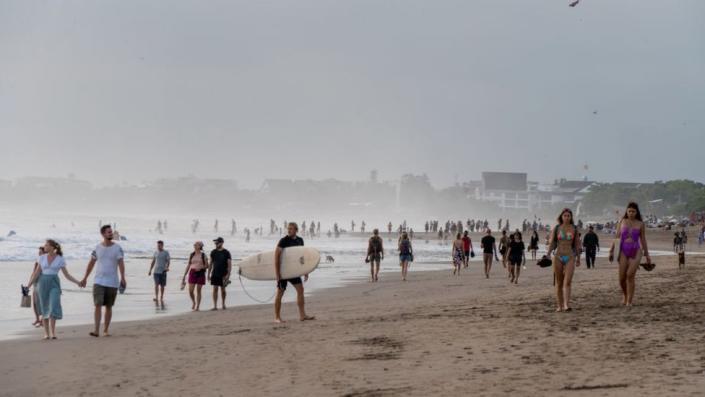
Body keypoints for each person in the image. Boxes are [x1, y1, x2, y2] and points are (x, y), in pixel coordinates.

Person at [26, 240, 82, 339]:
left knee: (53, 305)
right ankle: (46, 333)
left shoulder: (60, 259)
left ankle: (53, 333)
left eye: (46, 245)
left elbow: (67, 275)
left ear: (52, 247)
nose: (44, 247)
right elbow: (36, 273)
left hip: (54, 283)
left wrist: (78, 282)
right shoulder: (41, 257)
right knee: (45, 308)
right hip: (42, 284)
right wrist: (28, 285)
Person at [79, 225, 126, 337]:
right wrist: (85, 277)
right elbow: (91, 263)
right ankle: (96, 330)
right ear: (103, 234)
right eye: (108, 232)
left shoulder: (117, 248)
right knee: (97, 304)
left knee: (109, 306)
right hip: (98, 281)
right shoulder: (97, 248)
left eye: (111, 232)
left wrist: (123, 278)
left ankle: (105, 330)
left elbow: (121, 263)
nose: (111, 234)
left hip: (112, 282)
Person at [609, 202, 651, 307]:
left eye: (633, 211)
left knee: (630, 275)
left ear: (636, 212)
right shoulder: (622, 221)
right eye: (629, 211)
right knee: (621, 278)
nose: (631, 213)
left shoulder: (640, 224)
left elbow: (643, 239)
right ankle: (625, 295)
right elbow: (617, 237)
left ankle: (629, 301)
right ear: (626, 211)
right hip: (623, 250)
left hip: (636, 250)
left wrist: (647, 254)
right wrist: (611, 250)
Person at [274, 222, 314, 323]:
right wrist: (278, 274)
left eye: (291, 229)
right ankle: (277, 317)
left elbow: (301, 257)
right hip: (284, 271)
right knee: (280, 293)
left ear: (296, 230)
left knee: (300, 290)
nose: (289, 230)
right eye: (288, 229)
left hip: (294, 271)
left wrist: (306, 271)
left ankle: (302, 315)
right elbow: (276, 256)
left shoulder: (300, 240)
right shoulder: (283, 240)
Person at [547, 208, 581, 312]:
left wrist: (578, 258)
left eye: (568, 216)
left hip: (570, 256)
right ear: (561, 217)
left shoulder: (574, 228)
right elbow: (552, 242)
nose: (566, 217)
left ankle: (566, 304)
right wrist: (548, 254)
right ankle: (559, 305)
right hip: (558, 256)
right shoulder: (557, 228)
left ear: (571, 217)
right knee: (559, 282)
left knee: (568, 281)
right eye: (565, 215)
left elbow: (577, 245)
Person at [181, 241, 208, 311]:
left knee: (198, 290)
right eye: (194, 244)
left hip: (201, 273)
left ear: (200, 246)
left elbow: (207, 265)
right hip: (192, 272)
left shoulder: (203, 255)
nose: (194, 245)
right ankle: (194, 302)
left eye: (196, 244)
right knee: (190, 291)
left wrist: (201, 268)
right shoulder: (192, 254)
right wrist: (184, 275)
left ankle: (198, 306)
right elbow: (188, 265)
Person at [209, 237, 232, 310]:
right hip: (215, 273)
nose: (216, 244)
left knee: (223, 290)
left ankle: (223, 304)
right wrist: (208, 273)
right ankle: (215, 306)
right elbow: (211, 263)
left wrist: (228, 274)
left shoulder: (226, 252)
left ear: (222, 243)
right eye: (215, 243)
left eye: (217, 243)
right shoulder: (213, 252)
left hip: (223, 273)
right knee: (215, 289)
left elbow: (229, 264)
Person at [147, 240, 170, 307]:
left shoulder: (166, 252)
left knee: (162, 286)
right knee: (156, 284)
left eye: (160, 245)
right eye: (157, 245)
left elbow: (168, 261)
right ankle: (156, 297)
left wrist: (167, 267)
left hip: (163, 271)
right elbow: (153, 261)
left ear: (162, 245)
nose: (158, 246)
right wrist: (150, 270)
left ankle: (161, 297)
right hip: (156, 271)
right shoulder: (155, 252)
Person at [28, 247, 46, 327]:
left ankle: (42, 320)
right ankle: (37, 319)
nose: (39, 253)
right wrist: (29, 283)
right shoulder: (37, 261)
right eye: (39, 252)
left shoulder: (45, 261)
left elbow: (40, 272)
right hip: (35, 282)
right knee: (34, 302)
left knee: (41, 302)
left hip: (42, 282)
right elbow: (34, 272)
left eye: (41, 252)